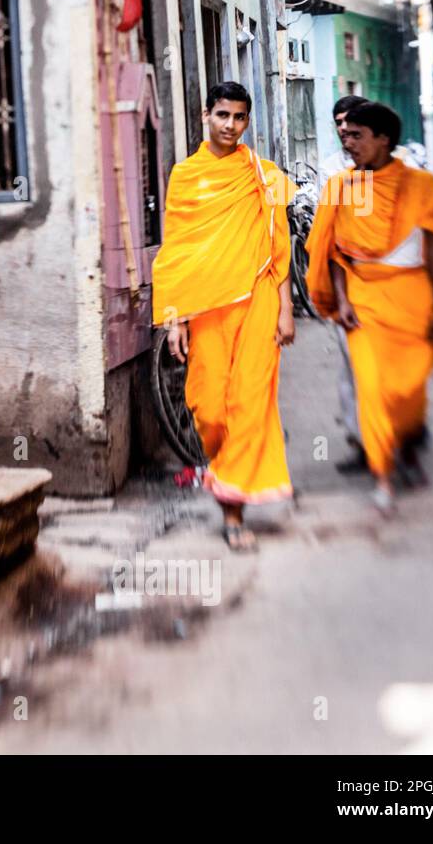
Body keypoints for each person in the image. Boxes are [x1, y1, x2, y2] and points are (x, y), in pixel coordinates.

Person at [152, 82, 296, 552]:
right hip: (208, 309)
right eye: (222, 115)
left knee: (249, 404)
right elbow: (177, 251)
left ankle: (234, 512)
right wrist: (174, 318)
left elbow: (279, 247)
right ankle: (228, 472)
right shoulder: (186, 177)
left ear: (247, 121)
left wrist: (287, 309)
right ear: (205, 116)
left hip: (258, 302)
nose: (230, 125)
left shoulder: (263, 175)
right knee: (210, 407)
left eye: (238, 117)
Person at [305, 101, 433, 515]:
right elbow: (333, 250)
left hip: (411, 297)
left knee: (405, 390)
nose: (347, 142)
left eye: (357, 135)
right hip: (364, 299)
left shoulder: (421, 186)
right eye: (345, 135)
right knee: (369, 388)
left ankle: (405, 449)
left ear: (384, 139)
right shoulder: (340, 187)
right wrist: (344, 299)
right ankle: (384, 474)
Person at [320, 95, 419, 473]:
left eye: (352, 125)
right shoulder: (333, 173)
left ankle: (401, 443)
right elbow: (332, 241)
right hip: (353, 288)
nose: (345, 132)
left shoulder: (401, 171)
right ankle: (362, 444)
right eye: (339, 125)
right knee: (353, 372)